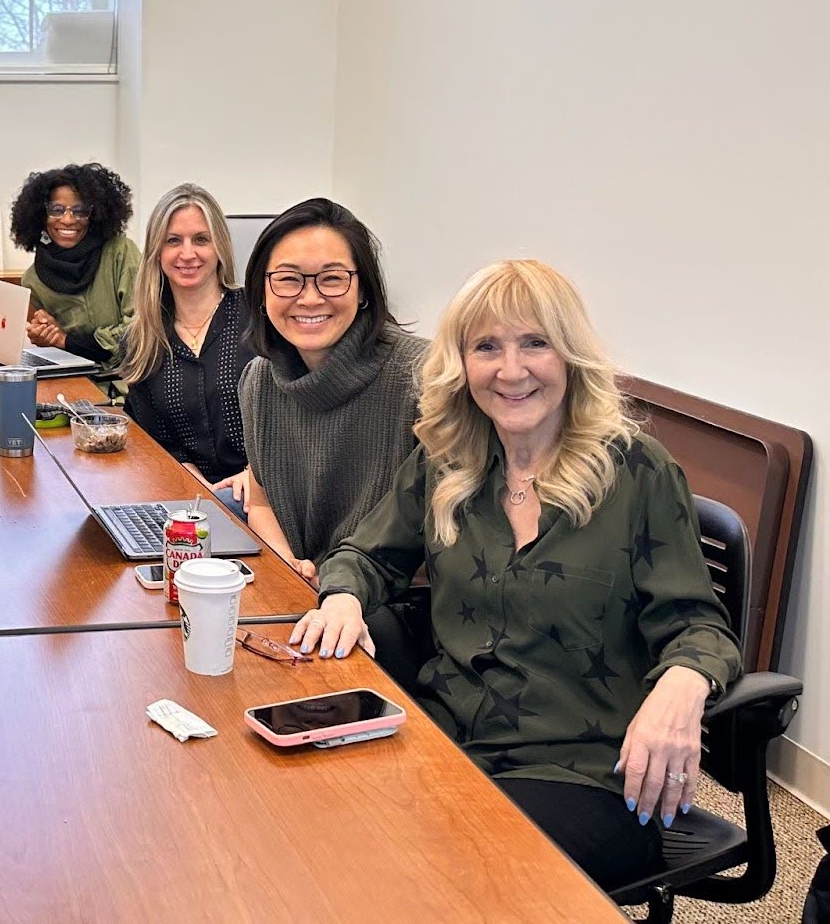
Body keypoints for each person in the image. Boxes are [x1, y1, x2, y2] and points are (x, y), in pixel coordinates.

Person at [292, 259, 741, 889]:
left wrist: (683, 687)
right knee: (324, 824)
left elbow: (699, 626)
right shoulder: (449, 460)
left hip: (583, 772)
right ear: (461, 364)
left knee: (440, 874)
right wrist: (342, 596)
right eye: (487, 347)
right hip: (447, 739)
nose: (510, 370)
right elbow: (366, 555)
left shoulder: (637, 471)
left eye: (535, 343)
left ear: (571, 356)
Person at [235, 198, 427, 578]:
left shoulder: (422, 376)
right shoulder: (258, 381)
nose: (310, 298)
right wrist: (290, 569)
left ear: (363, 288)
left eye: (333, 278)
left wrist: (340, 586)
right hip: (302, 583)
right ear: (261, 291)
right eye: (288, 279)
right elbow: (260, 504)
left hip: (387, 595)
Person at [121, 184, 251, 489]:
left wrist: (254, 474)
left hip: (263, 487)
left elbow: (292, 414)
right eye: (173, 241)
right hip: (187, 493)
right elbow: (158, 440)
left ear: (219, 247)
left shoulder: (259, 315)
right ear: (157, 252)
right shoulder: (141, 339)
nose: (188, 254)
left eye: (201, 239)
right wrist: (195, 485)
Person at [10, 162, 139, 371]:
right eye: (56, 210)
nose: (68, 220)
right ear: (41, 215)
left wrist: (66, 341)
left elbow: (139, 330)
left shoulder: (120, 253)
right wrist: (47, 335)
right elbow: (62, 346)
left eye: (80, 211)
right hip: (76, 378)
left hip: (129, 380)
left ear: (95, 214)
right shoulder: (33, 280)